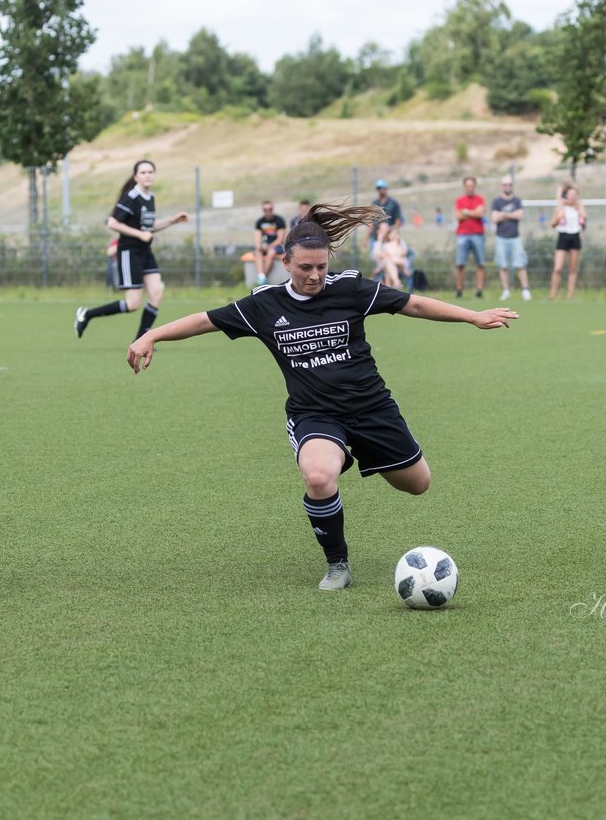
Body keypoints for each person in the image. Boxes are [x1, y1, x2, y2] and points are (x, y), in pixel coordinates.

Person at [125, 203, 518, 590]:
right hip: (315, 414)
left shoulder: (349, 289)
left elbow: (411, 303)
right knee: (317, 476)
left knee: (418, 484)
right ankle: (337, 563)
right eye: (305, 268)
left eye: (321, 267)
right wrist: (151, 334)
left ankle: (349, 453)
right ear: (285, 263)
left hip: (372, 408)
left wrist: (472, 316)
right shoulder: (264, 305)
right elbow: (204, 321)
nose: (315, 276)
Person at [75, 159, 189, 340]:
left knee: (156, 294)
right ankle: (87, 314)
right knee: (132, 304)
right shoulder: (131, 196)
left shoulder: (150, 197)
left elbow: (148, 227)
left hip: (145, 252)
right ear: (136, 177)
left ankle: (141, 340)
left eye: (150, 172)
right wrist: (139, 234)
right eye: (143, 172)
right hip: (129, 252)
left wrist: (172, 220)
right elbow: (113, 223)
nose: (147, 175)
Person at [490, 175, 530, 301]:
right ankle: (506, 290)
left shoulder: (517, 200)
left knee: (520, 264)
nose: (508, 187)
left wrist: (503, 214)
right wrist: (510, 215)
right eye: (505, 184)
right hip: (501, 237)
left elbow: (520, 215)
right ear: (502, 186)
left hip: (515, 237)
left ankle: (525, 290)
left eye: (510, 184)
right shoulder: (496, 202)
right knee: (503, 265)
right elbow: (494, 218)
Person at [549, 182, 586, 301]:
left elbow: (584, 223)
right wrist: (559, 218)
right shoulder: (560, 208)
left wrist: (581, 213)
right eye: (570, 194)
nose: (572, 197)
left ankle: (570, 295)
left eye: (574, 194)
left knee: (573, 269)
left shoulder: (579, 207)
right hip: (563, 237)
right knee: (558, 268)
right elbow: (553, 224)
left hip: (575, 237)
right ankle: (552, 295)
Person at [454, 176, 486, 298]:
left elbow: (480, 213)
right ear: (464, 187)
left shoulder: (480, 199)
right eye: (467, 185)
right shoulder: (459, 200)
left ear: (475, 186)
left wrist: (466, 212)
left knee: (480, 263)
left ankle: (479, 290)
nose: (470, 188)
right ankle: (459, 289)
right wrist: (473, 212)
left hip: (478, 234)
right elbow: (458, 216)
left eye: (471, 185)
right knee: (460, 263)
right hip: (462, 234)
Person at [251, 201, 287, 286]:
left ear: (272, 209)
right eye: (265, 209)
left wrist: (269, 246)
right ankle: (261, 277)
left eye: (269, 209)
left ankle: (262, 277)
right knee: (257, 251)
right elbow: (257, 238)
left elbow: (280, 239)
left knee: (271, 252)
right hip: (264, 246)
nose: (267, 211)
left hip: (276, 246)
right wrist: (259, 246)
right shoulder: (259, 222)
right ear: (262, 210)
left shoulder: (279, 220)